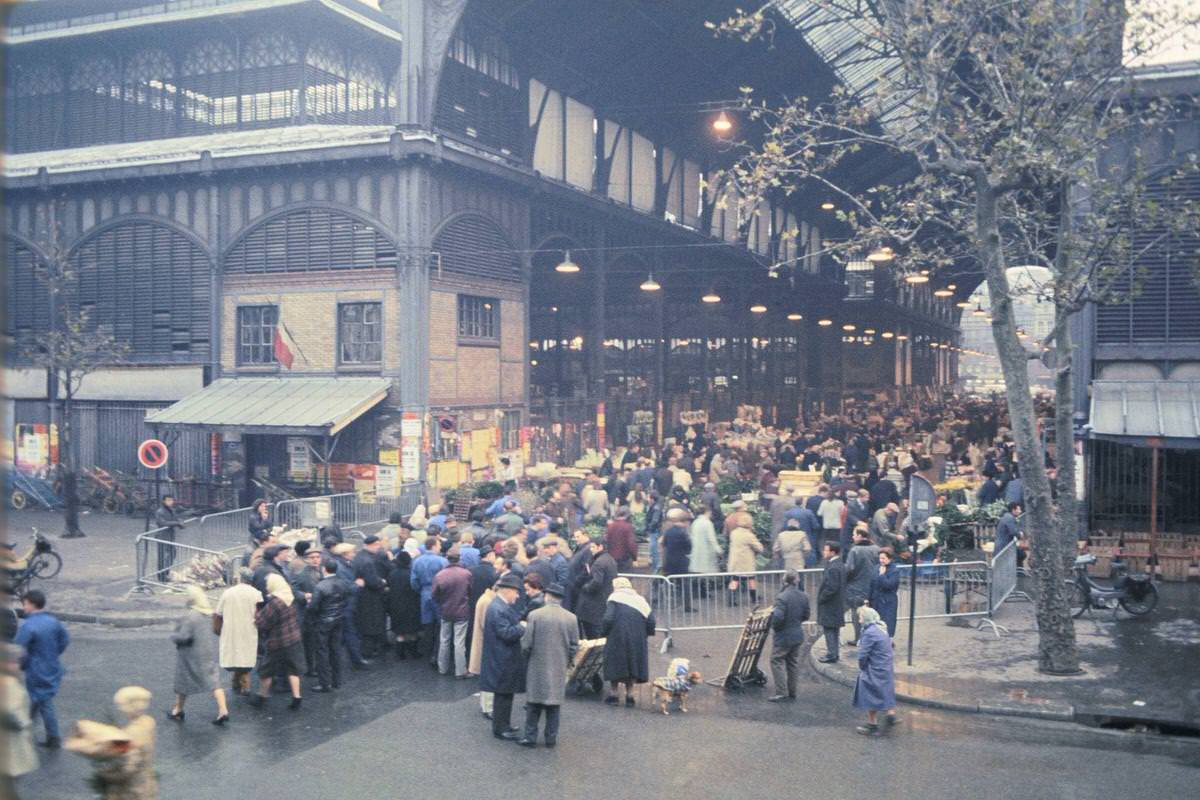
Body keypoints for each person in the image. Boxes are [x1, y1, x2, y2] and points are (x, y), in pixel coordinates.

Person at [519, 582, 579, 748]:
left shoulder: (535, 615)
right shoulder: (571, 618)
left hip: (537, 664)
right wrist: (567, 659)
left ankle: (530, 738)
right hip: (559, 665)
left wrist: (526, 658)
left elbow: (526, 643)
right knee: (554, 705)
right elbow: (574, 645)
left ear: (547, 597)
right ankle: (550, 739)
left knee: (533, 703)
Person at [167, 585, 229, 726]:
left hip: (191, 655)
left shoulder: (191, 616)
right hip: (206, 652)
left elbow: (184, 636)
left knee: (183, 682)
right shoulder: (208, 614)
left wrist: (174, 635)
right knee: (214, 682)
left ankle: (178, 710)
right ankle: (223, 710)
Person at [14, 589, 69, 748]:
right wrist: (53, 654)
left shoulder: (29, 625)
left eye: (25, 604)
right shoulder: (53, 621)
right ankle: (24, 729)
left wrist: (22, 664)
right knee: (37, 699)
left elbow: (18, 649)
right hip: (52, 667)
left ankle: (54, 737)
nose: (24, 607)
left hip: (37, 670)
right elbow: (64, 640)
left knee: (44, 702)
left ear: (32, 604)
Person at [480, 573, 526, 740]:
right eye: (516, 592)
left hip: (502, 658)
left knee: (506, 695)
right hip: (502, 659)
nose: (518, 596)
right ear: (508, 590)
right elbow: (506, 633)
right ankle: (500, 729)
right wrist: (522, 627)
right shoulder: (498, 609)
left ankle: (504, 724)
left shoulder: (498, 606)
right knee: (502, 696)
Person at [250, 573, 305, 710]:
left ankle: (262, 696)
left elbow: (262, 622)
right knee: (293, 669)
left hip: (278, 641)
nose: (267, 586)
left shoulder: (275, 603)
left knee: (267, 670)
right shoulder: (289, 597)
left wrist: (256, 614)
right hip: (294, 638)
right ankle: (297, 697)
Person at [601, 577, 655, 706]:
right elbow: (651, 620)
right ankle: (630, 695)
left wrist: (603, 632)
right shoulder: (641, 600)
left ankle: (614, 694)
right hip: (637, 637)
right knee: (632, 663)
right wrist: (646, 633)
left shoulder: (614, 598)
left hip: (617, 635)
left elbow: (608, 618)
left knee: (615, 663)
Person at [213, 568, 262, 697]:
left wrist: (217, 629)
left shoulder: (228, 593)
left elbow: (218, 613)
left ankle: (238, 682)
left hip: (231, 629)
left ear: (240, 578)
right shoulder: (257, 594)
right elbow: (259, 614)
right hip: (249, 629)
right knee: (246, 657)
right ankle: (244, 683)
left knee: (234, 655)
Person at [853, 606, 898, 735]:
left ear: (867, 619)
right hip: (886, 667)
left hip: (874, 668)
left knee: (869, 694)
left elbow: (863, 655)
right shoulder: (881, 628)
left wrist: (862, 667)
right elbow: (890, 644)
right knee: (886, 689)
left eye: (861, 618)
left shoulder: (869, 633)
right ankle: (891, 714)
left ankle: (872, 725)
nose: (859, 621)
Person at [307, 558, 351, 693]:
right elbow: (346, 600)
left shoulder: (320, 586)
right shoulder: (343, 583)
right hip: (338, 619)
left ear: (324, 569)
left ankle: (324, 683)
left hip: (323, 621)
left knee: (321, 652)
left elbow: (313, 607)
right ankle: (336, 681)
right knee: (335, 649)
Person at [768, 569, 811, 702]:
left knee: (776, 660)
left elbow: (778, 618)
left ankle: (781, 692)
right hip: (797, 634)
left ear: (784, 581)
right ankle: (792, 691)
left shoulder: (782, 597)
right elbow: (806, 615)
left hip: (784, 635)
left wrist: (775, 627)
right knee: (792, 663)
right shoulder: (804, 596)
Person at [1, 642, 38, 795]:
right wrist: (21, 724)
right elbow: (9, 712)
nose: (17, 665)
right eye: (13, 662)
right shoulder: (9, 683)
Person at [432, 545, 472, 677]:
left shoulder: (439, 575)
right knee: (459, 642)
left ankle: (442, 668)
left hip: (446, 611)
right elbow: (470, 591)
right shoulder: (466, 574)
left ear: (447, 558)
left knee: (444, 640)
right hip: (462, 611)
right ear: (459, 558)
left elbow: (434, 595)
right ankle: (460, 671)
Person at [410, 536, 448, 665]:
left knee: (427, 624)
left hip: (424, 594)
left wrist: (421, 591)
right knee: (440, 624)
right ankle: (436, 654)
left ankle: (427, 651)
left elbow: (413, 582)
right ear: (433, 546)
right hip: (439, 595)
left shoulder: (417, 561)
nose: (440, 547)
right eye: (439, 545)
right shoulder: (442, 561)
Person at [352, 536, 389, 659]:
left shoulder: (359, 557)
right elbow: (373, 581)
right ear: (369, 545)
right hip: (371, 597)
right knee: (372, 624)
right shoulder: (368, 561)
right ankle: (368, 651)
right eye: (377, 544)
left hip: (362, 595)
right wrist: (382, 582)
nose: (379, 547)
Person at [844, 525, 881, 645]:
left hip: (856, 588)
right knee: (873, 613)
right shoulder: (876, 549)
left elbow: (849, 569)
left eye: (854, 534)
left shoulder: (855, 550)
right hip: (873, 587)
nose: (852, 537)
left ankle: (859, 638)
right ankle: (874, 637)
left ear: (860, 536)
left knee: (857, 614)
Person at [575, 539, 617, 639]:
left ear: (600, 547)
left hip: (593, 607)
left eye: (593, 547)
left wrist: (585, 587)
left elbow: (597, 582)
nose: (591, 549)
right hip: (603, 601)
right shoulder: (610, 559)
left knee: (593, 635)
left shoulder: (599, 563)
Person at [387, 551, 422, 659]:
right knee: (412, 631)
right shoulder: (411, 574)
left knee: (400, 632)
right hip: (411, 605)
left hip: (396, 605)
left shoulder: (392, 574)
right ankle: (413, 652)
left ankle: (400, 654)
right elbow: (416, 588)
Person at [817, 543, 846, 664]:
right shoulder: (838, 564)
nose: (824, 552)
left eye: (826, 550)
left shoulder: (833, 567)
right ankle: (834, 653)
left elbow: (832, 587)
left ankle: (831, 654)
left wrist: (821, 598)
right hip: (836, 604)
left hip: (830, 605)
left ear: (833, 552)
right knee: (834, 630)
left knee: (829, 630)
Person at [661, 508, 693, 612]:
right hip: (681, 561)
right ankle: (687, 606)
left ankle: (668, 604)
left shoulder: (668, 532)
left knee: (668, 583)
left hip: (669, 560)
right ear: (684, 521)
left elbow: (664, 545)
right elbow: (689, 547)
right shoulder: (684, 533)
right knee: (685, 584)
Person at [726, 524, 763, 605]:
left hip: (735, 561)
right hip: (746, 562)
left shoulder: (734, 533)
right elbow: (759, 548)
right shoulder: (749, 535)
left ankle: (731, 601)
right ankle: (754, 598)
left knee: (735, 580)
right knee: (751, 579)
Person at [868, 549, 901, 637]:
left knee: (887, 622)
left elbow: (889, 585)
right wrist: (868, 598)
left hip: (887, 601)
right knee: (875, 622)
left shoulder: (894, 571)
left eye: (883, 558)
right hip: (875, 600)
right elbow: (871, 584)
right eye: (880, 558)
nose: (881, 560)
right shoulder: (876, 567)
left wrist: (882, 575)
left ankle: (887, 639)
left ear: (889, 558)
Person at [153, 494, 185, 577]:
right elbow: (162, 523)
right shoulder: (160, 511)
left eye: (171, 500)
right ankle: (161, 575)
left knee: (172, 554)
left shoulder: (171, 510)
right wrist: (177, 523)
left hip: (170, 536)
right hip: (162, 536)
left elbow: (176, 518)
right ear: (164, 501)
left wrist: (181, 522)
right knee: (163, 556)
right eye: (168, 500)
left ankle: (166, 572)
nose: (170, 502)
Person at [994, 502, 1025, 567]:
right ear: (1013, 510)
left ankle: (1018, 570)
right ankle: (1019, 571)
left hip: (1003, 545)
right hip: (1004, 546)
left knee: (1021, 555)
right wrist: (1020, 534)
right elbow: (1013, 532)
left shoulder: (1007, 517)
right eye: (1019, 509)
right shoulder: (1010, 518)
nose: (1020, 511)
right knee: (1021, 555)